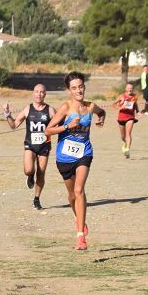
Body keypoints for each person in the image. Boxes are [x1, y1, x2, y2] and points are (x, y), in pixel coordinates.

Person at [45, 72, 105, 250]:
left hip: (84, 153)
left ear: (84, 87)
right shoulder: (65, 108)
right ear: (69, 90)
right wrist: (67, 126)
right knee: (72, 196)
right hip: (64, 157)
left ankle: (80, 237)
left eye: (81, 86)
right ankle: (79, 219)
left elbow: (102, 112)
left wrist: (101, 119)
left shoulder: (91, 106)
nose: (79, 90)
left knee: (79, 190)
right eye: (74, 88)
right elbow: (48, 131)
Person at [3, 83, 56, 209]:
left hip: (44, 146)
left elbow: (61, 124)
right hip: (30, 144)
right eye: (37, 91)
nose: (39, 94)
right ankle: (30, 176)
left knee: (41, 173)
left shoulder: (50, 110)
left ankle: (36, 199)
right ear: (33, 93)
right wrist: (7, 113)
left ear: (45, 94)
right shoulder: (27, 109)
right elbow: (14, 125)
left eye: (42, 92)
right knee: (28, 170)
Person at [113, 82, 141, 158]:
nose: (130, 89)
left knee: (128, 133)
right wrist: (119, 108)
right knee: (123, 137)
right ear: (126, 89)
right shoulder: (121, 96)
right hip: (121, 117)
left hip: (130, 117)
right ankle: (125, 144)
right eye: (128, 88)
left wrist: (138, 112)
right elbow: (114, 104)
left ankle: (128, 149)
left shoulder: (135, 96)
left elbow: (135, 104)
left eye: (131, 88)